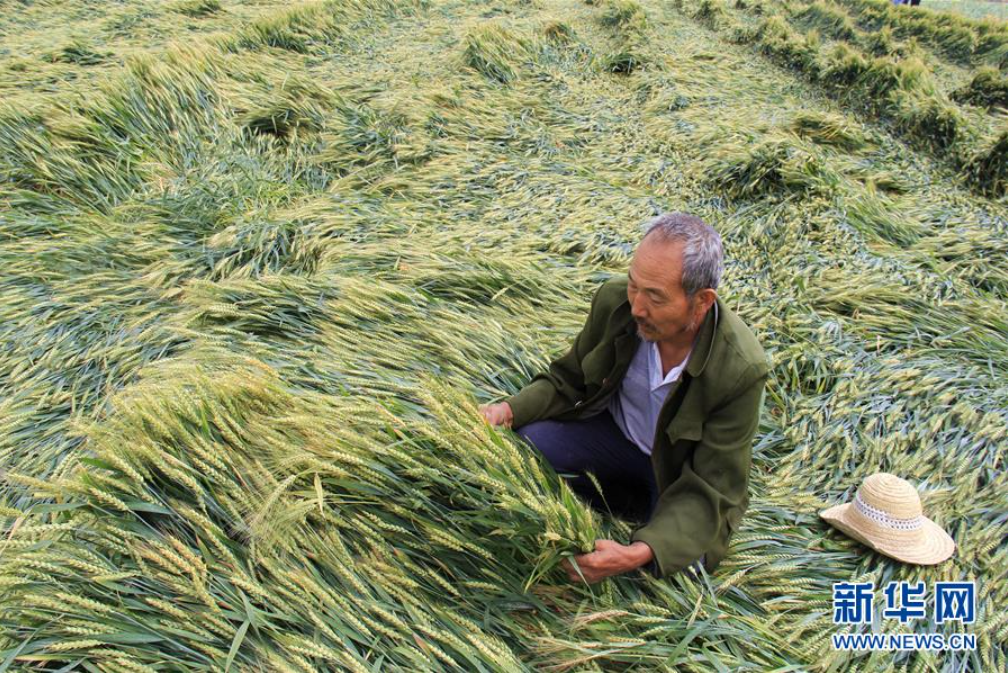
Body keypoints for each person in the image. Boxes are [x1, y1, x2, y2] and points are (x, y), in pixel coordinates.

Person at [479, 212, 769, 583]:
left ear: (701, 301)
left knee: (682, 566)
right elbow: (567, 380)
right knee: (529, 446)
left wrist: (637, 553)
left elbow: (711, 487)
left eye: (655, 297)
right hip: (614, 437)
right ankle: (624, 497)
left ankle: (635, 509)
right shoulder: (615, 304)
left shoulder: (741, 368)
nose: (637, 308)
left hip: (678, 476)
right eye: (634, 285)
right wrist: (507, 410)